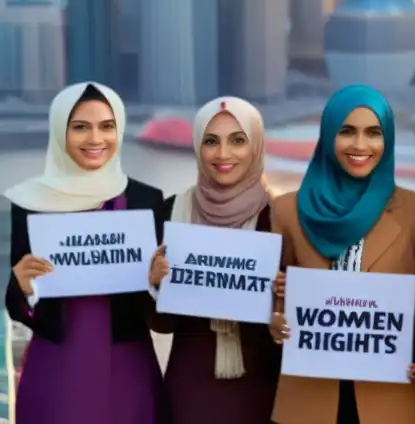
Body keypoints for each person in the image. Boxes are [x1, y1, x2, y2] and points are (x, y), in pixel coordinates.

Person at [4, 82, 165, 423]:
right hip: (58, 365)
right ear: (60, 131)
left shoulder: (145, 200)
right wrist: (23, 286)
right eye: (80, 127)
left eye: (107, 127)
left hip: (128, 365)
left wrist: (156, 283)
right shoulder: (31, 202)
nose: (96, 139)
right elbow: (17, 307)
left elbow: (161, 309)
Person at [268, 85, 415, 424]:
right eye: (347, 132)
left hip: (388, 399)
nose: (359, 145)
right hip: (308, 399)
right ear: (328, 136)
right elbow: (272, 301)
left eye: (373, 133)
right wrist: (275, 316)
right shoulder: (286, 211)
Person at [148, 96, 280, 423]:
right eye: (211, 141)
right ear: (197, 146)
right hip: (190, 387)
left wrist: (283, 300)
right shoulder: (172, 212)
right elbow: (162, 325)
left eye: (238, 140)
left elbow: (293, 330)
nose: (223, 154)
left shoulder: (280, 217)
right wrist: (153, 284)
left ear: (257, 145)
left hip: (262, 388)